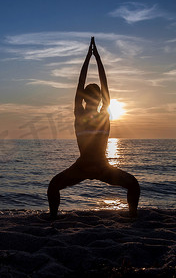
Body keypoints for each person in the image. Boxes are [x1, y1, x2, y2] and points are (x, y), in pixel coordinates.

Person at [47, 37, 140, 219]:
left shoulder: (93, 115)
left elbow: (90, 86)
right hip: (90, 167)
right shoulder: (93, 114)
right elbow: (90, 85)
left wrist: (92, 57)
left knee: (53, 186)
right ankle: (133, 216)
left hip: (95, 167)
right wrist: (94, 57)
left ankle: (53, 218)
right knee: (134, 185)